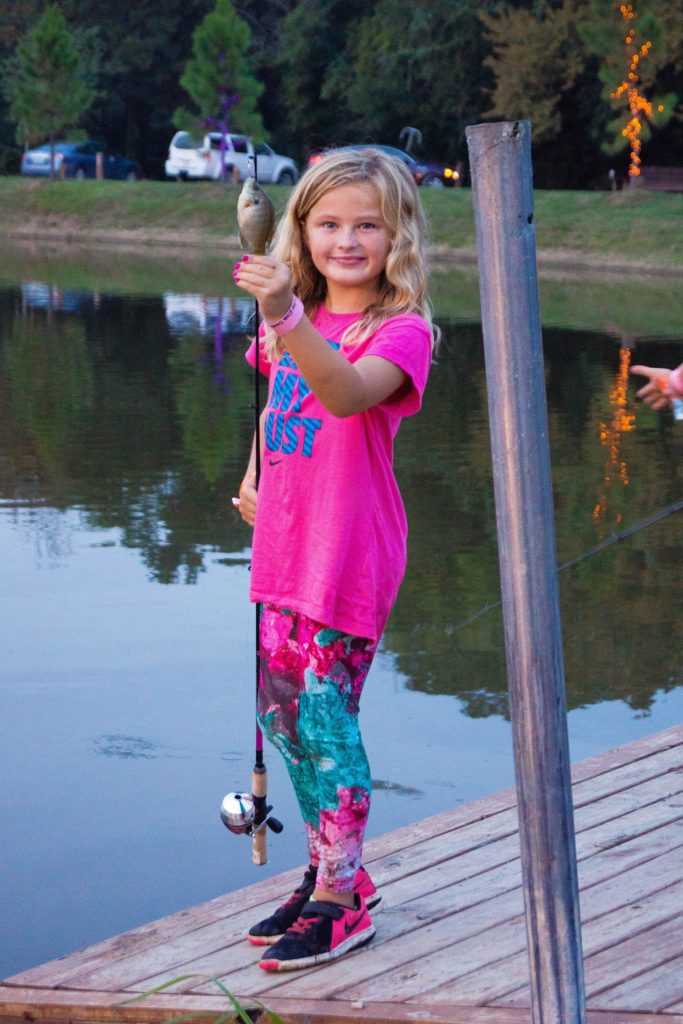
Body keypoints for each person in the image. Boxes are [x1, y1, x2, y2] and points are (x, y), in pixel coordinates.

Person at [232, 148, 437, 971]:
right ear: (300, 230)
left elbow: (344, 392)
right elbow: (275, 399)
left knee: (325, 720)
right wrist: (251, 475)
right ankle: (329, 873)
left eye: (366, 225)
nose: (346, 239)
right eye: (327, 224)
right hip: (284, 545)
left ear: (397, 238)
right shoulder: (293, 317)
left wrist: (286, 316)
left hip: (348, 555)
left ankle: (343, 900)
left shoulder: (402, 329)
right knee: (280, 715)